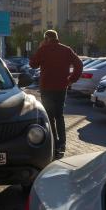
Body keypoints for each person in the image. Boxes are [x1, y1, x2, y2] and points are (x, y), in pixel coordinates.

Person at [29, 30, 83, 158]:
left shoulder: (43, 49)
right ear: (57, 38)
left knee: (49, 116)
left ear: (46, 38)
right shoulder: (66, 50)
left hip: (46, 88)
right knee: (59, 116)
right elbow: (79, 64)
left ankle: (53, 142)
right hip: (61, 87)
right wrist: (71, 79)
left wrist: (41, 48)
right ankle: (62, 144)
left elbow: (32, 64)